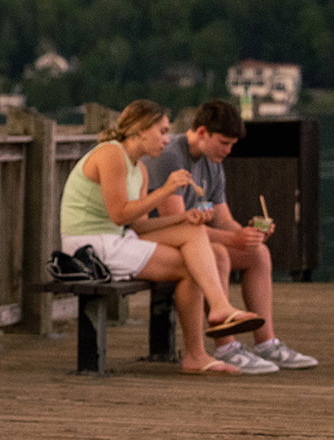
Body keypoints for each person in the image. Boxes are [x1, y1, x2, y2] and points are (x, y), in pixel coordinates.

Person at [61, 99, 264, 372]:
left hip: (117, 239)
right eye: (163, 131)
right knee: (190, 265)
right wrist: (166, 189)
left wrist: (184, 218)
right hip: (88, 247)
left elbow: (139, 226)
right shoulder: (111, 154)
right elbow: (120, 214)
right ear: (141, 130)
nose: (167, 140)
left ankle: (207, 332)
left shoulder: (140, 168)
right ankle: (213, 322)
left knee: (191, 241)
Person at [147, 99, 317, 372]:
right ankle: (226, 346)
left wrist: (248, 235)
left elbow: (223, 219)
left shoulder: (212, 162)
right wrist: (232, 239)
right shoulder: (172, 157)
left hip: (193, 240)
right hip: (160, 240)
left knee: (258, 253)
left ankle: (266, 342)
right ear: (202, 132)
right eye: (224, 143)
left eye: (231, 145)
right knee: (219, 253)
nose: (228, 151)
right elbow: (176, 225)